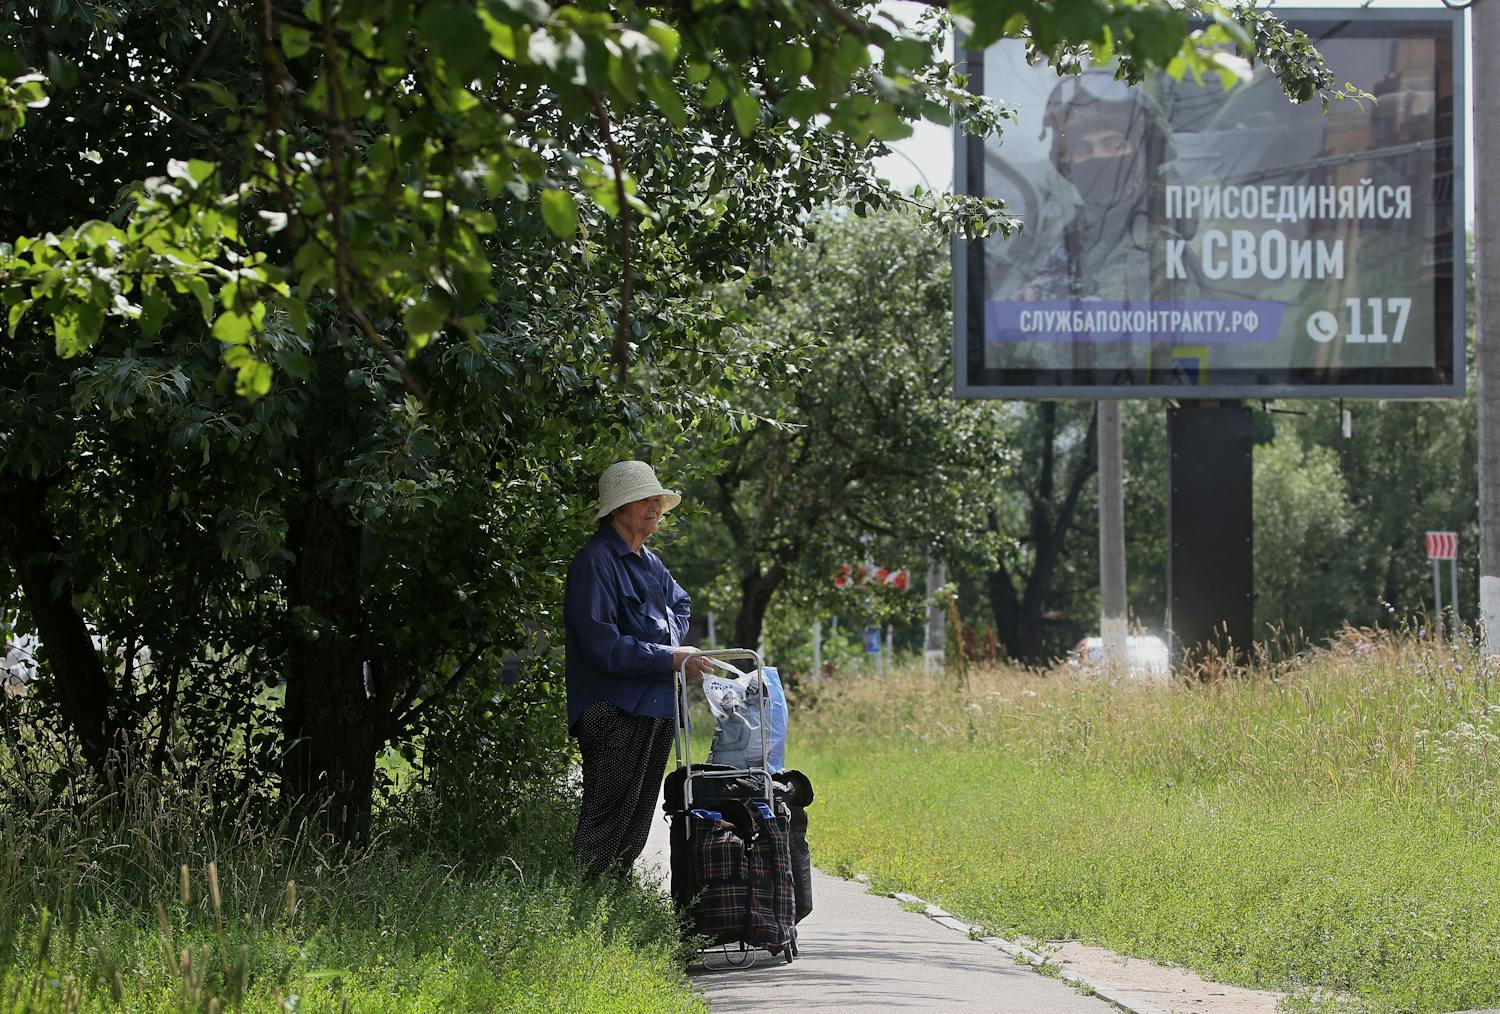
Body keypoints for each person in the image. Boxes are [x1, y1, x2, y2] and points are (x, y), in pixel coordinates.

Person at [564, 460, 712, 878]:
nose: (654, 507)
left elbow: (680, 603)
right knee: (606, 814)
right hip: (611, 707)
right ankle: (584, 904)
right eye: (642, 500)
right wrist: (670, 656)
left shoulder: (650, 562)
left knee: (637, 816)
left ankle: (612, 903)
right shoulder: (595, 562)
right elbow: (602, 646)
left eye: (656, 500)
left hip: (657, 704)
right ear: (618, 509)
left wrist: (668, 645)